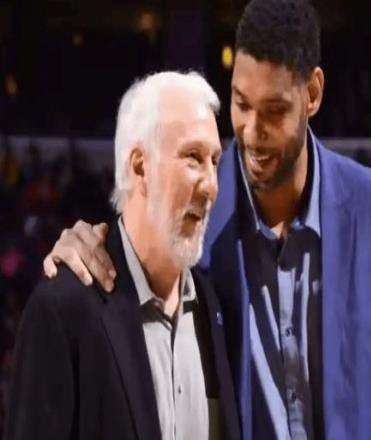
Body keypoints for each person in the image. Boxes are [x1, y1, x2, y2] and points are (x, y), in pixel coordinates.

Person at [42, 0, 371, 438]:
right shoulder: (191, 215)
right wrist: (82, 243)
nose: (250, 131)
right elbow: (124, 262)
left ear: (313, 94)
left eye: (274, 111)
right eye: (241, 104)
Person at [5, 72, 240, 440]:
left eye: (215, 161)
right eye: (194, 158)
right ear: (140, 167)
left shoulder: (214, 308)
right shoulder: (61, 311)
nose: (211, 185)